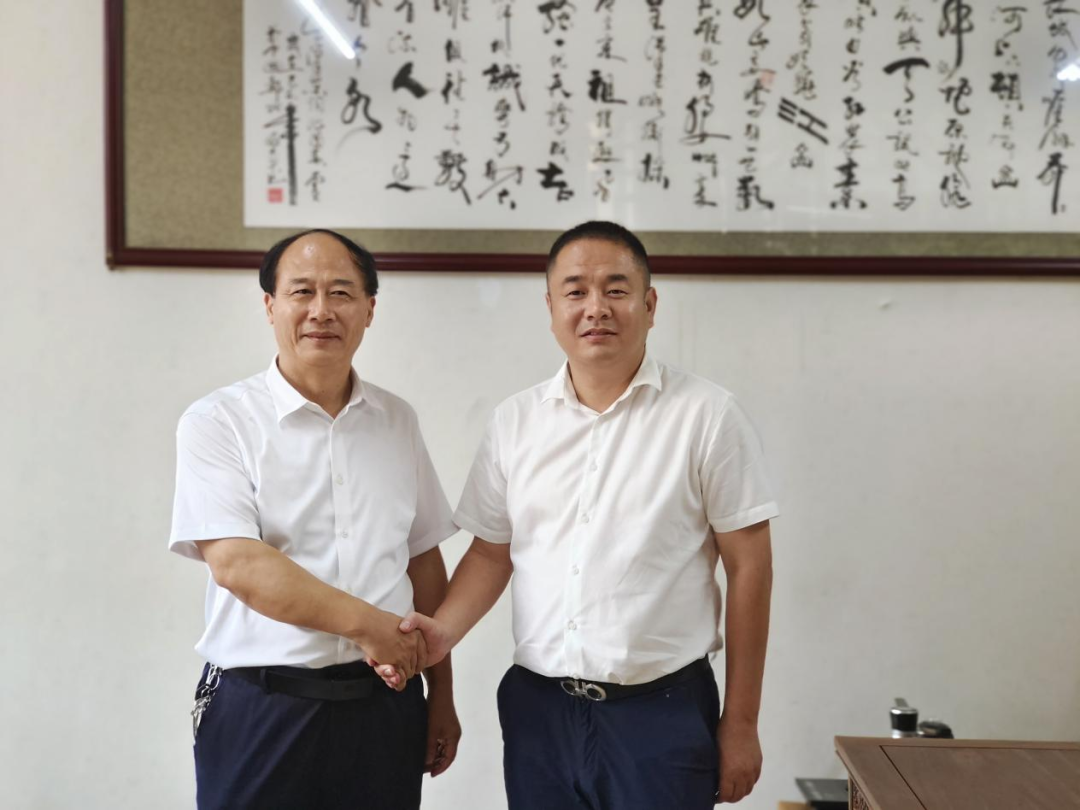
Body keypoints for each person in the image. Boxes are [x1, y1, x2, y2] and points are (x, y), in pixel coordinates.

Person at [385, 221, 779, 808]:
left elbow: (750, 568)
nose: (596, 308)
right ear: (551, 308)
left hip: (661, 713)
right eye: (575, 291)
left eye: (616, 290)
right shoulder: (515, 421)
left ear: (650, 305)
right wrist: (443, 632)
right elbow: (492, 553)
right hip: (538, 711)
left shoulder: (708, 416)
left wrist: (741, 722)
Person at [169, 229, 460, 810]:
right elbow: (238, 565)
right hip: (262, 705)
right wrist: (369, 626)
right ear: (270, 305)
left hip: (384, 707)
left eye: (341, 293)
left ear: (369, 309)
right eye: (302, 291)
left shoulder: (397, 420)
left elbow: (422, 557)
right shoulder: (218, 421)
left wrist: (442, 695)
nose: (321, 311)